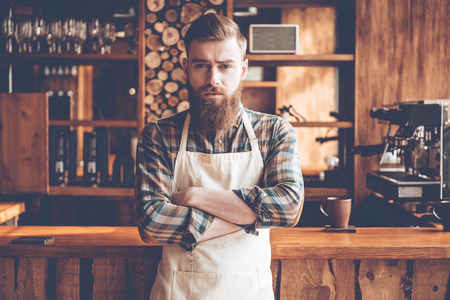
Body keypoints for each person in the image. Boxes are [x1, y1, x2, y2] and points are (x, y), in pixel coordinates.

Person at [135, 13, 304, 300]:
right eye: (202, 65)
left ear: (243, 69)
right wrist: (253, 217)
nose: (213, 79)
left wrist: (194, 197)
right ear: (187, 68)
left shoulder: (274, 131)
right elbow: (152, 222)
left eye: (225, 66)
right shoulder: (158, 135)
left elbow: (288, 206)